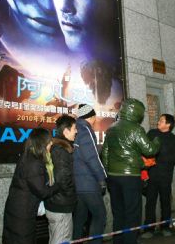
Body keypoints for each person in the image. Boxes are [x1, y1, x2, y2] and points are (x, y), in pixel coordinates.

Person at [101, 98, 160, 244]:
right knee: (132, 213)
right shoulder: (136, 129)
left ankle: (118, 241)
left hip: (113, 177)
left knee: (118, 212)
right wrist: (157, 141)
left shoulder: (112, 128)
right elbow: (150, 149)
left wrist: (108, 173)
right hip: (131, 176)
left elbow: (105, 153)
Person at [2, 128, 60, 244]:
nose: (51, 144)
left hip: (19, 210)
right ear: (42, 143)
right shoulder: (34, 162)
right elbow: (42, 191)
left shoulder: (30, 156)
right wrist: (59, 185)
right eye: (49, 141)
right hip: (22, 214)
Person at [72, 104, 107, 244]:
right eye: (94, 117)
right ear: (91, 117)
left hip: (77, 184)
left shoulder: (75, 129)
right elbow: (92, 157)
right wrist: (102, 178)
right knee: (100, 216)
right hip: (88, 184)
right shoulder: (85, 130)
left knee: (80, 218)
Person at [141, 114, 175, 238]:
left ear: (168, 124)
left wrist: (158, 156)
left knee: (165, 202)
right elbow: (144, 150)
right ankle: (149, 229)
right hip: (151, 175)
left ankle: (165, 227)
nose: (158, 122)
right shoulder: (151, 133)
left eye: (161, 120)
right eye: (159, 119)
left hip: (165, 176)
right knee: (150, 202)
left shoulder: (173, 139)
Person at [44, 115, 77, 244]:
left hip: (54, 203)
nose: (76, 131)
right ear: (66, 131)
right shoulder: (61, 150)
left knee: (55, 238)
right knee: (62, 239)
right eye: (74, 128)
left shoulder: (54, 147)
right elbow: (62, 179)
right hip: (60, 205)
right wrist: (71, 197)